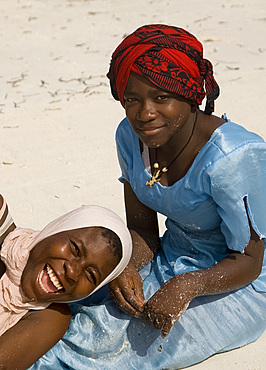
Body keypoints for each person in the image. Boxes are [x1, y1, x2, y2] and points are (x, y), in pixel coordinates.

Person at [30, 24, 266, 369]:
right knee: (68, 303)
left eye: (161, 97)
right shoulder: (130, 137)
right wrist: (125, 266)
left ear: (190, 95)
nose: (145, 114)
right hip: (172, 256)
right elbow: (142, 231)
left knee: (101, 349)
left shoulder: (233, 157)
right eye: (132, 100)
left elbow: (249, 260)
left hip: (236, 282)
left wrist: (186, 286)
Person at [0, 194, 132, 369]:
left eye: (91, 276)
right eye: (75, 249)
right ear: (55, 229)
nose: (72, 272)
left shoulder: (51, 317)